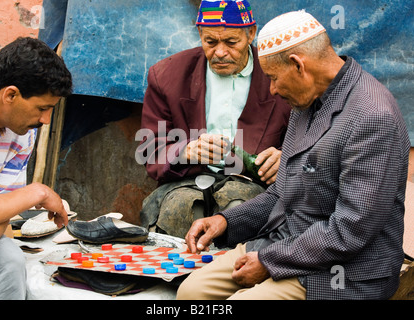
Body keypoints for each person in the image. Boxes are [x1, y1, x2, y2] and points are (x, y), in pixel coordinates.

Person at [177, 10, 410, 300]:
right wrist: (225, 221)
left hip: (342, 271)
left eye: (274, 78)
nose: (272, 89)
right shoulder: (306, 100)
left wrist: (269, 261)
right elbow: (281, 194)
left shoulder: (372, 117)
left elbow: (350, 231)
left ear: (298, 65)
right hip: (283, 244)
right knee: (191, 291)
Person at [137, 0, 291, 238]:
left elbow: (310, 139)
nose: (220, 52)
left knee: (240, 210)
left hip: (255, 186)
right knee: (181, 211)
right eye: (210, 42)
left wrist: (285, 158)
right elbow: (150, 149)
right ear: (199, 33)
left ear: (251, 33)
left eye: (231, 42)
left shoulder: (279, 74)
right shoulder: (167, 75)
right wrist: (186, 151)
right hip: (186, 180)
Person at [0, 37, 73, 299]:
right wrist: (39, 193)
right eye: (42, 108)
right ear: (10, 94)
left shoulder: (21, 133)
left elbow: (0, 212)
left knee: (7, 258)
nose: (45, 120)